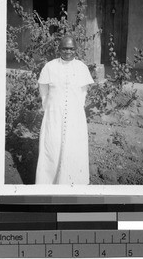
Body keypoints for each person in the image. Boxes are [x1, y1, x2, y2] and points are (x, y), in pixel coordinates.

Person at [35, 35, 94, 185]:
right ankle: (48, 183)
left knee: (73, 147)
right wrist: (51, 109)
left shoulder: (81, 68)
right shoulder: (50, 67)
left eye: (71, 48)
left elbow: (83, 93)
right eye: (65, 48)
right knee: (52, 146)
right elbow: (43, 91)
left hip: (75, 116)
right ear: (59, 49)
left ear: (76, 49)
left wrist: (75, 110)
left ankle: (73, 182)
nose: (68, 51)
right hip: (54, 115)